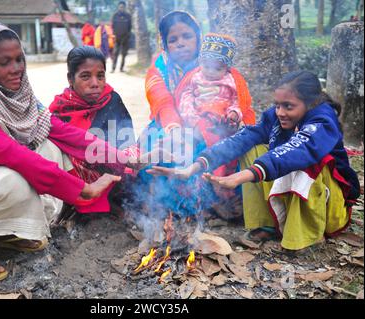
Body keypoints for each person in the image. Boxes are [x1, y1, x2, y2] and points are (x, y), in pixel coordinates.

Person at [0, 23, 141, 284]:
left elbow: (68, 135)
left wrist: (124, 158)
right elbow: (20, 159)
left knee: (50, 147)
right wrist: (84, 190)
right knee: (15, 178)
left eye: (19, 59)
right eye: (4, 62)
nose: (16, 69)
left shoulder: (17, 99)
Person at [149, 70, 360, 254]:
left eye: (288, 106)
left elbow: (299, 151)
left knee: (305, 161)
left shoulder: (323, 120)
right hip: (293, 193)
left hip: (331, 211)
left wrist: (243, 175)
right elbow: (242, 138)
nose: (280, 113)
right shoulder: (275, 117)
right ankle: (267, 224)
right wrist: (195, 166)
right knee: (252, 146)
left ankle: (305, 237)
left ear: (311, 103)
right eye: (277, 105)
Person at [137, 11, 255, 218]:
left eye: (187, 36)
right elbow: (162, 102)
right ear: (164, 44)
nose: (180, 43)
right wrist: (177, 128)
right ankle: (171, 204)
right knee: (159, 145)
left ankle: (212, 200)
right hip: (170, 123)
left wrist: (233, 121)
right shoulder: (159, 68)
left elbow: (240, 99)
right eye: (172, 39)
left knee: (227, 144)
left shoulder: (216, 65)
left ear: (199, 38)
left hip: (214, 122)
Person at [49, 46, 139, 213]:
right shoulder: (60, 110)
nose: (95, 84)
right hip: (79, 184)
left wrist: (129, 161)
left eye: (100, 76)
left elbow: (127, 141)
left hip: (115, 172)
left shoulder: (111, 100)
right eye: (85, 76)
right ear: (70, 78)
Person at [177, 33, 246, 200]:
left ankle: (220, 182)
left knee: (228, 148)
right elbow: (186, 97)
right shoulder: (195, 78)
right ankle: (191, 186)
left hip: (222, 121)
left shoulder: (231, 82)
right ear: (200, 62)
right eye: (206, 66)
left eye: (218, 68)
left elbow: (237, 101)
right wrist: (191, 117)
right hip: (200, 119)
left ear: (226, 68)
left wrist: (234, 114)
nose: (210, 72)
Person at [111, 1, 132, 72]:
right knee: (115, 53)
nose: (121, 8)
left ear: (125, 7)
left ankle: (121, 68)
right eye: (120, 7)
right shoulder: (115, 15)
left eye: (123, 7)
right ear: (118, 7)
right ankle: (113, 68)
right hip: (117, 38)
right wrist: (114, 35)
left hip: (125, 38)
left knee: (124, 54)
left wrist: (127, 36)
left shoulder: (128, 16)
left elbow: (130, 27)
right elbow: (112, 26)